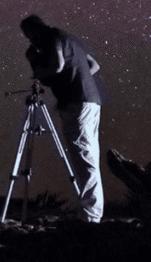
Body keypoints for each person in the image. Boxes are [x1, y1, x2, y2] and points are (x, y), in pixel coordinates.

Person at [20, 14, 111, 222]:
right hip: (91, 101)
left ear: (34, 30)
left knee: (83, 158)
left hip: (76, 102)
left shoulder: (52, 39)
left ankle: (90, 217)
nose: (30, 41)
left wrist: (39, 70)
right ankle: (91, 213)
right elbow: (94, 66)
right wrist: (75, 78)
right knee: (89, 156)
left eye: (28, 35)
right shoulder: (69, 39)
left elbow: (57, 66)